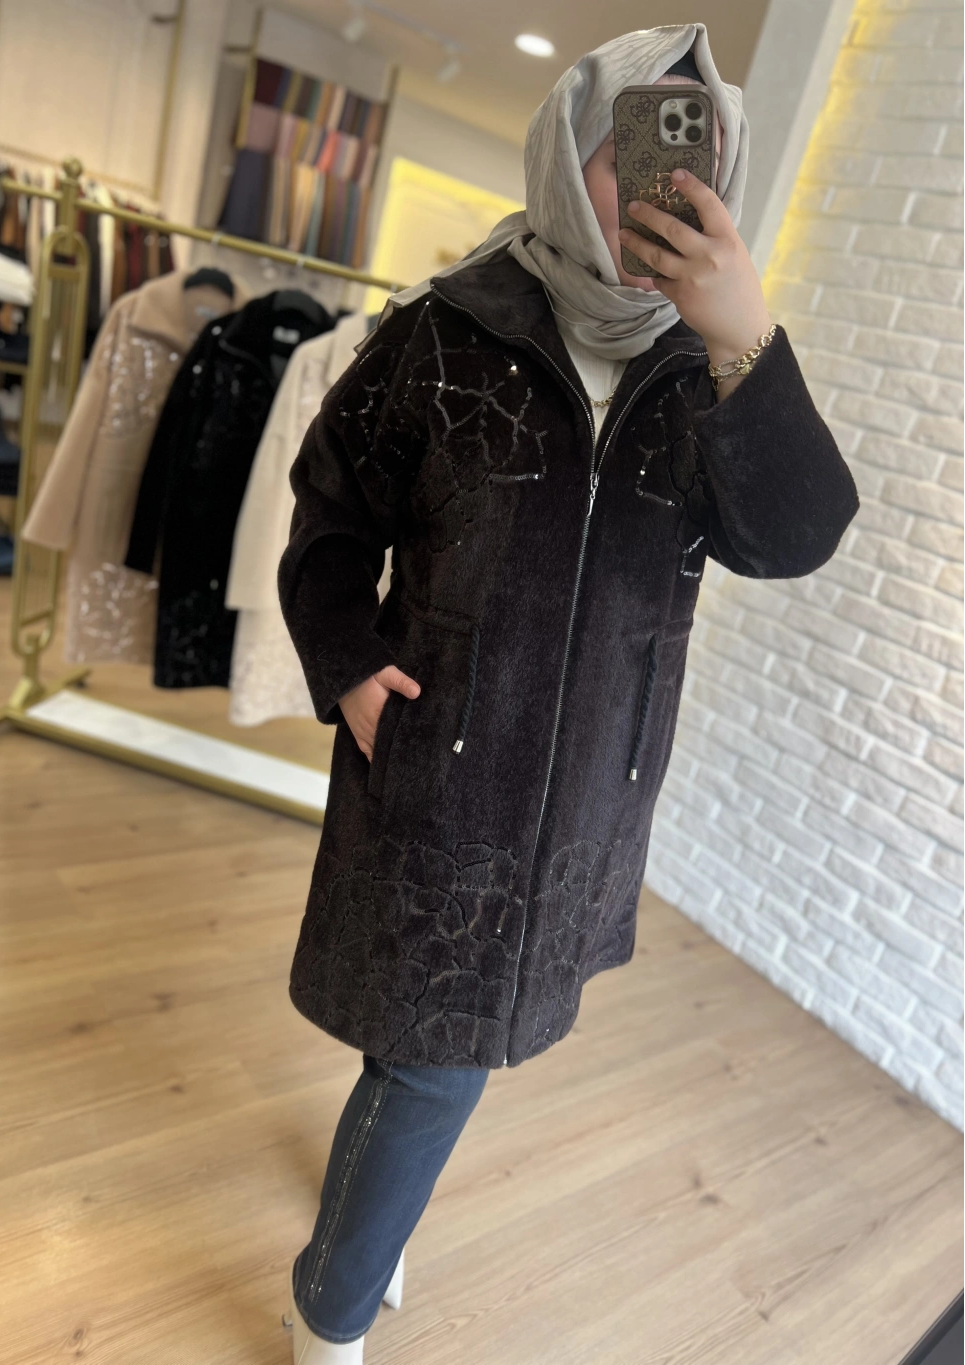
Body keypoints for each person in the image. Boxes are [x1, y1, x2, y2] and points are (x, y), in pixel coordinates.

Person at [277, 22, 859, 1364]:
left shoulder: (709, 375)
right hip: (436, 766)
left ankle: (374, 1214)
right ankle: (329, 1308)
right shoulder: (443, 331)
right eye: (636, 149)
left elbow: (794, 537)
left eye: (697, 156)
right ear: (567, 151)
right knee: (436, 1059)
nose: (668, 186)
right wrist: (350, 666)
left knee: (435, 1049)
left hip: (589, 790)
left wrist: (745, 336)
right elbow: (328, 515)